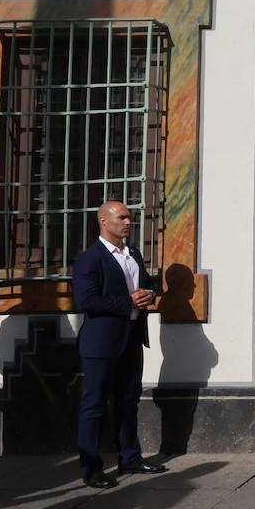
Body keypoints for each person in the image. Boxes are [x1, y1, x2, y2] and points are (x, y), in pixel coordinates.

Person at [74, 201, 166, 488]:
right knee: (94, 405)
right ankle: (91, 468)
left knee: (129, 401)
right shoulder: (90, 258)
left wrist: (149, 294)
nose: (128, 222)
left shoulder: (133, 253)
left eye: (130, 217)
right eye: (122, 217)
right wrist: (128, 302)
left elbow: (151, 284)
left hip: (131, 340)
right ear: (104, 221)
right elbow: (86, 300)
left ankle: (131, 457)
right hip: (101, 344)